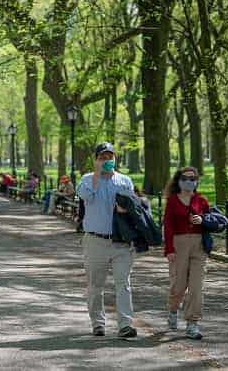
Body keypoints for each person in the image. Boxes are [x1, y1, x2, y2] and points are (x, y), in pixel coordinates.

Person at [76, 142, 138, 338]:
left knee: (124, 283)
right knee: (95, 285)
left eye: (110, 157)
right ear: (96, 160)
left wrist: (127, 210)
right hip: (95, 241)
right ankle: (98, 323)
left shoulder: (125, 181)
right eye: (102, 157)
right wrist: (96, 174)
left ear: (115, 159)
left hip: (121, 242)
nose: (107, 160)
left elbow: (134, 207)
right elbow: (85, 196)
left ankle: (125, 325)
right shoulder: (87, 180)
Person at [163, 166, 209, 340]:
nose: (189, 182)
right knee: (179, 285)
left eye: (192, 179)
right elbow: (168, 226)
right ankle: (173, 309)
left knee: (196, 287)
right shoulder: (172, 200)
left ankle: (192, 323)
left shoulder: (201, 200)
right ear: (178, 180)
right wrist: (169, 249)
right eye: (185, 178)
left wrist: (202, 220)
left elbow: (210, 221)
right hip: (178, 244)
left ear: (196, 181)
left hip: (199, 245)